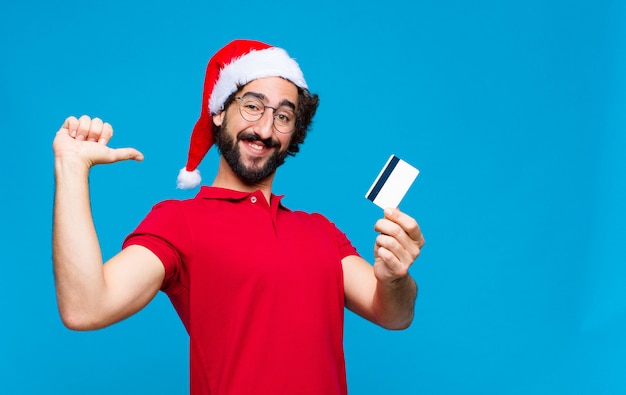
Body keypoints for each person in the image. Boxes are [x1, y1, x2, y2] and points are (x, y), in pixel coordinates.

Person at [52, 39, 424, 394]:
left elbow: (394, 314)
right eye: (252, 106)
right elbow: (86, 308)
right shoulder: (180, 223)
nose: (264, 129)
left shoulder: (321, 231)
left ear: (295, 132)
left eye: (283, 116)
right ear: (218, 111)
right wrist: (71, 169)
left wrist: (394, 278)